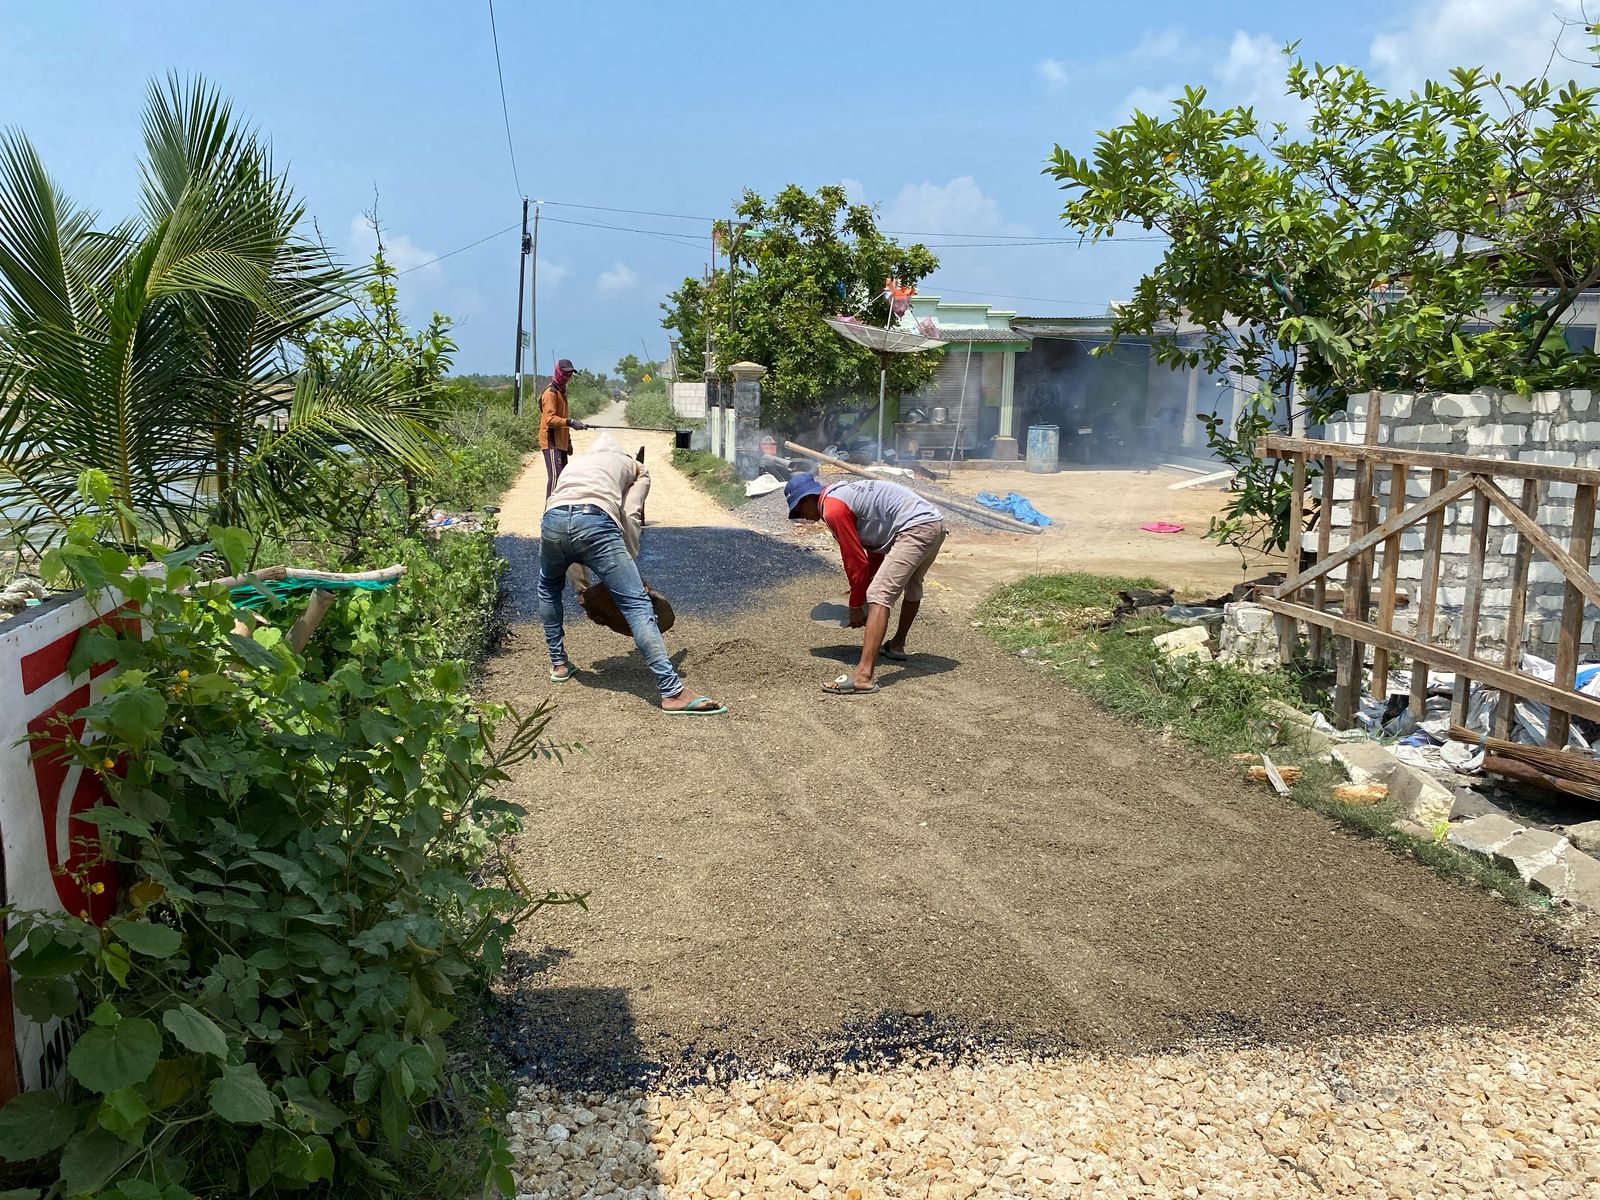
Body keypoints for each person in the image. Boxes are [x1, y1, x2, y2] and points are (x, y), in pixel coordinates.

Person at [538, 432, 726, 715]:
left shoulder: (575, 466)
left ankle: (559, 664)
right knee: (637, 605)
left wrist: (582, 587)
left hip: (552, 521)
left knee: (548, 587)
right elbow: (630, 515)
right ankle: (672, 691)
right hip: (595, 522)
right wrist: (628, 571)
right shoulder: (636, 468)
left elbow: (565, 519)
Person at [785, 473, 947, 695]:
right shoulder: (843, 496)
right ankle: (897, 645)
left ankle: (863, 676)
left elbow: (855, 562)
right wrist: (859, 591)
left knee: (879, 595)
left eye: (798, 510)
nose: (801, 516)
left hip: (914, 528)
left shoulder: (832, 509)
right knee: (913, 585)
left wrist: (855, 605)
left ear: (807, 499)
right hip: (934, 524)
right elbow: (874, 552)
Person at [538, 358, 589, 496]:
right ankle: (548, 514)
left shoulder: (562, 392)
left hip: (561, 442)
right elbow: (550, 419)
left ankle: (559, 513)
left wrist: (568, 442)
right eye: (565, 373)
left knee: (563, 479)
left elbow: (562, 419)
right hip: (551, 441)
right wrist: (571, 422)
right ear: (558, 372)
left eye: (570, 374)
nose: (567, 377)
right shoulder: (551, 393)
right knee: (555, 478)